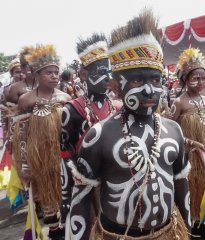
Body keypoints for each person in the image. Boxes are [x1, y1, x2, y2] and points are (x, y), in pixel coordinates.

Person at [69, 9, 190, 240]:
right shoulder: (98, 135)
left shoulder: (173, 130)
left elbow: (181, 187)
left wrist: (189, 231)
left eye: (155, 80)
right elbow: (81, 201)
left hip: (170, 233)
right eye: (136, 80)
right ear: (115, 86)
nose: (149, 89)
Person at [59, 33, 117, 232]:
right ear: (84, 74)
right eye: (101, 71)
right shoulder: (71, 110)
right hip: (85, 187)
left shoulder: (117, 106)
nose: (108, 78)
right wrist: (66, 196)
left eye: (110, 72)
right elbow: (64, 156)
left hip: (115, 185)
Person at [14, 44, 71, 239]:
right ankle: (55, 233)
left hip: (64, 160)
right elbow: (21, 136)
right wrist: (23, 165)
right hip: (41, 161)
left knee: (66, 201)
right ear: (37, 74)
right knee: (49, 205)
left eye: (56, 72)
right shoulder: (26, 100)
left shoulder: (65, 98)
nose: (55, 76)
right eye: (49, 72)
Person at [170, 48, 205, 239]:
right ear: (185, 79)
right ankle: (191, 226)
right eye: (196, 78)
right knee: (192, 191)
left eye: (203, 77)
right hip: (189, 159)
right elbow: (170, 133)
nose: (201, 82)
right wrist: (191, 143)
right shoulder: (179, 103)